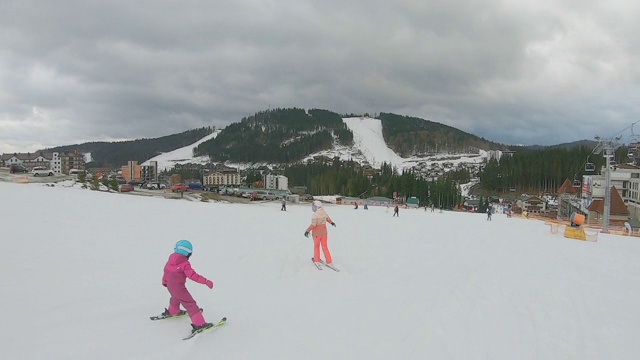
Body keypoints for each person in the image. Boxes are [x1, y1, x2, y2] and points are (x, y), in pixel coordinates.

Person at [161, 240, 215, 335]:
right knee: (191, 304)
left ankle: (173, 311)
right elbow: (193, 276)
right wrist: (206, 281)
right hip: (179, 289)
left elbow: (166, 272)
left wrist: (165, 282)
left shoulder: (169, 262)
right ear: (187, 253)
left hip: (170, 286)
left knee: (175, 298)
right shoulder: (184, 264)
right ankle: (200, 324)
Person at [304, 200, 336, 266]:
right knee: (325, 246)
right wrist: (332, 223)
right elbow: (328, 219)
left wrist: (307, 231)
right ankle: (329, 261)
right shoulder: (324, 212)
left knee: (316, 246)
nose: (313, 208)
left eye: (314, 206)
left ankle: (317, 259)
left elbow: (313, 225)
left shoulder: (315, 215)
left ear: (316, 207)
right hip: (324, 233)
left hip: (316, 234)